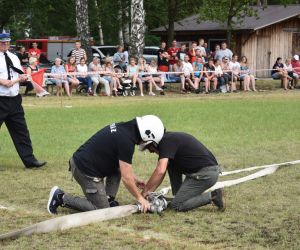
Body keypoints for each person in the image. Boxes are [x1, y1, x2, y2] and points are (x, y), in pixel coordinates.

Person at [47, 115, 165, 214]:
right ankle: (60, 197)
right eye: (150, 143)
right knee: (101, 210)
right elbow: (126, 178)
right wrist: (140, 198)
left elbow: (123, 168)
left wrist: (134, 179)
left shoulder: (124, 129)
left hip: (83, 162)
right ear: (147, 134)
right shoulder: (126, 141)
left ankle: (108, 198)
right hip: (84, 170)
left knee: (118, 170)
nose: (148, 146)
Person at [141, 131, 225, 212]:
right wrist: (149, 193)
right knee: (170, 165)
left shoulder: (166, 142)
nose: (150, 151)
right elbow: (161, 174)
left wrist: (144, 192)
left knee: (176, 205)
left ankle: (214, 195)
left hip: (205, 175)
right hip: (205, 172)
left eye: (149, 147)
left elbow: (160, 171)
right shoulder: (169, 139)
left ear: (154, 142)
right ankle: (178, 197)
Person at [0, 30, 46, 169]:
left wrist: (25, 76)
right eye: (2, 43)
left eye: (7, 42)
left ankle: (30, 161)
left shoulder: (13, 57)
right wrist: (8, 81)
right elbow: (4, 80)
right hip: (0, 99)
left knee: (22, 132)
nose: (5, 45)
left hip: (14, 100)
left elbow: (18, 71)